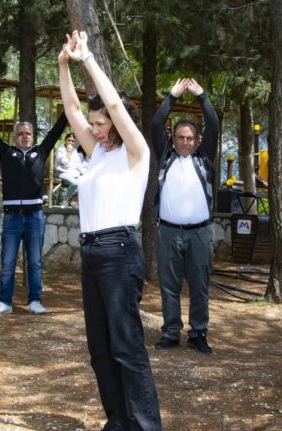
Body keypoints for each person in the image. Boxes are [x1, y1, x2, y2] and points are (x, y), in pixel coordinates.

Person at [59, 31, 162, 430]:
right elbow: (71, 108)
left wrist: (87, 59)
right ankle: (119, 420)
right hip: (92, 253)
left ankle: (145, 425)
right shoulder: (98, 152)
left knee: (126, 347)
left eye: (101, 123)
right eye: (94, 124)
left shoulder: (136, 151)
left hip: (120, 252)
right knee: (100, 350)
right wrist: (63, 65)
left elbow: (114, 104)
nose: (96, 129)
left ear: (117, 122)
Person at [0, 87, 67, 316]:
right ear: (15, 137)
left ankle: (35, 301)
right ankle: (4, 302)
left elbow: (58, 130)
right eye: (20, 134)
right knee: (8, 262)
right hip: (12, 218)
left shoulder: (41, 152)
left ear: (33, 136)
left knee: (35, 262)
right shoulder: (6, 152)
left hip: (35, 217)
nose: (24, 136)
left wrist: (69, 106)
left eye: (28, 133)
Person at [151, 78, 219, 354]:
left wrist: (202, 95)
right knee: (169, 285)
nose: (185, 142)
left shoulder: (204, 158)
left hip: (200, 232)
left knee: (199, 286)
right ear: (173, 138)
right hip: (168, 231)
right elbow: (157, 122)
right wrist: (172, 96)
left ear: (197, 140)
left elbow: (213, 123)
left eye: (190, 138)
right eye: (180, 137)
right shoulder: (165, 155)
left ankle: (198, 333)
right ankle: (170, 332)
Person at [55, 132, 85, 207]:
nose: (70, 142)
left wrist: (85, 173)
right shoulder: (60, 150)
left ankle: (73, 200)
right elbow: (66, 163)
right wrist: (68, 151)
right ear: (65, 140)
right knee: (75, 183)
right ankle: (66, 200)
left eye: (72, 141)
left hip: (74, 172)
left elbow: (78, 164)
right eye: (69, 140)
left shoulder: (74, 151)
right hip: (62, 172)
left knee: (84, 182)